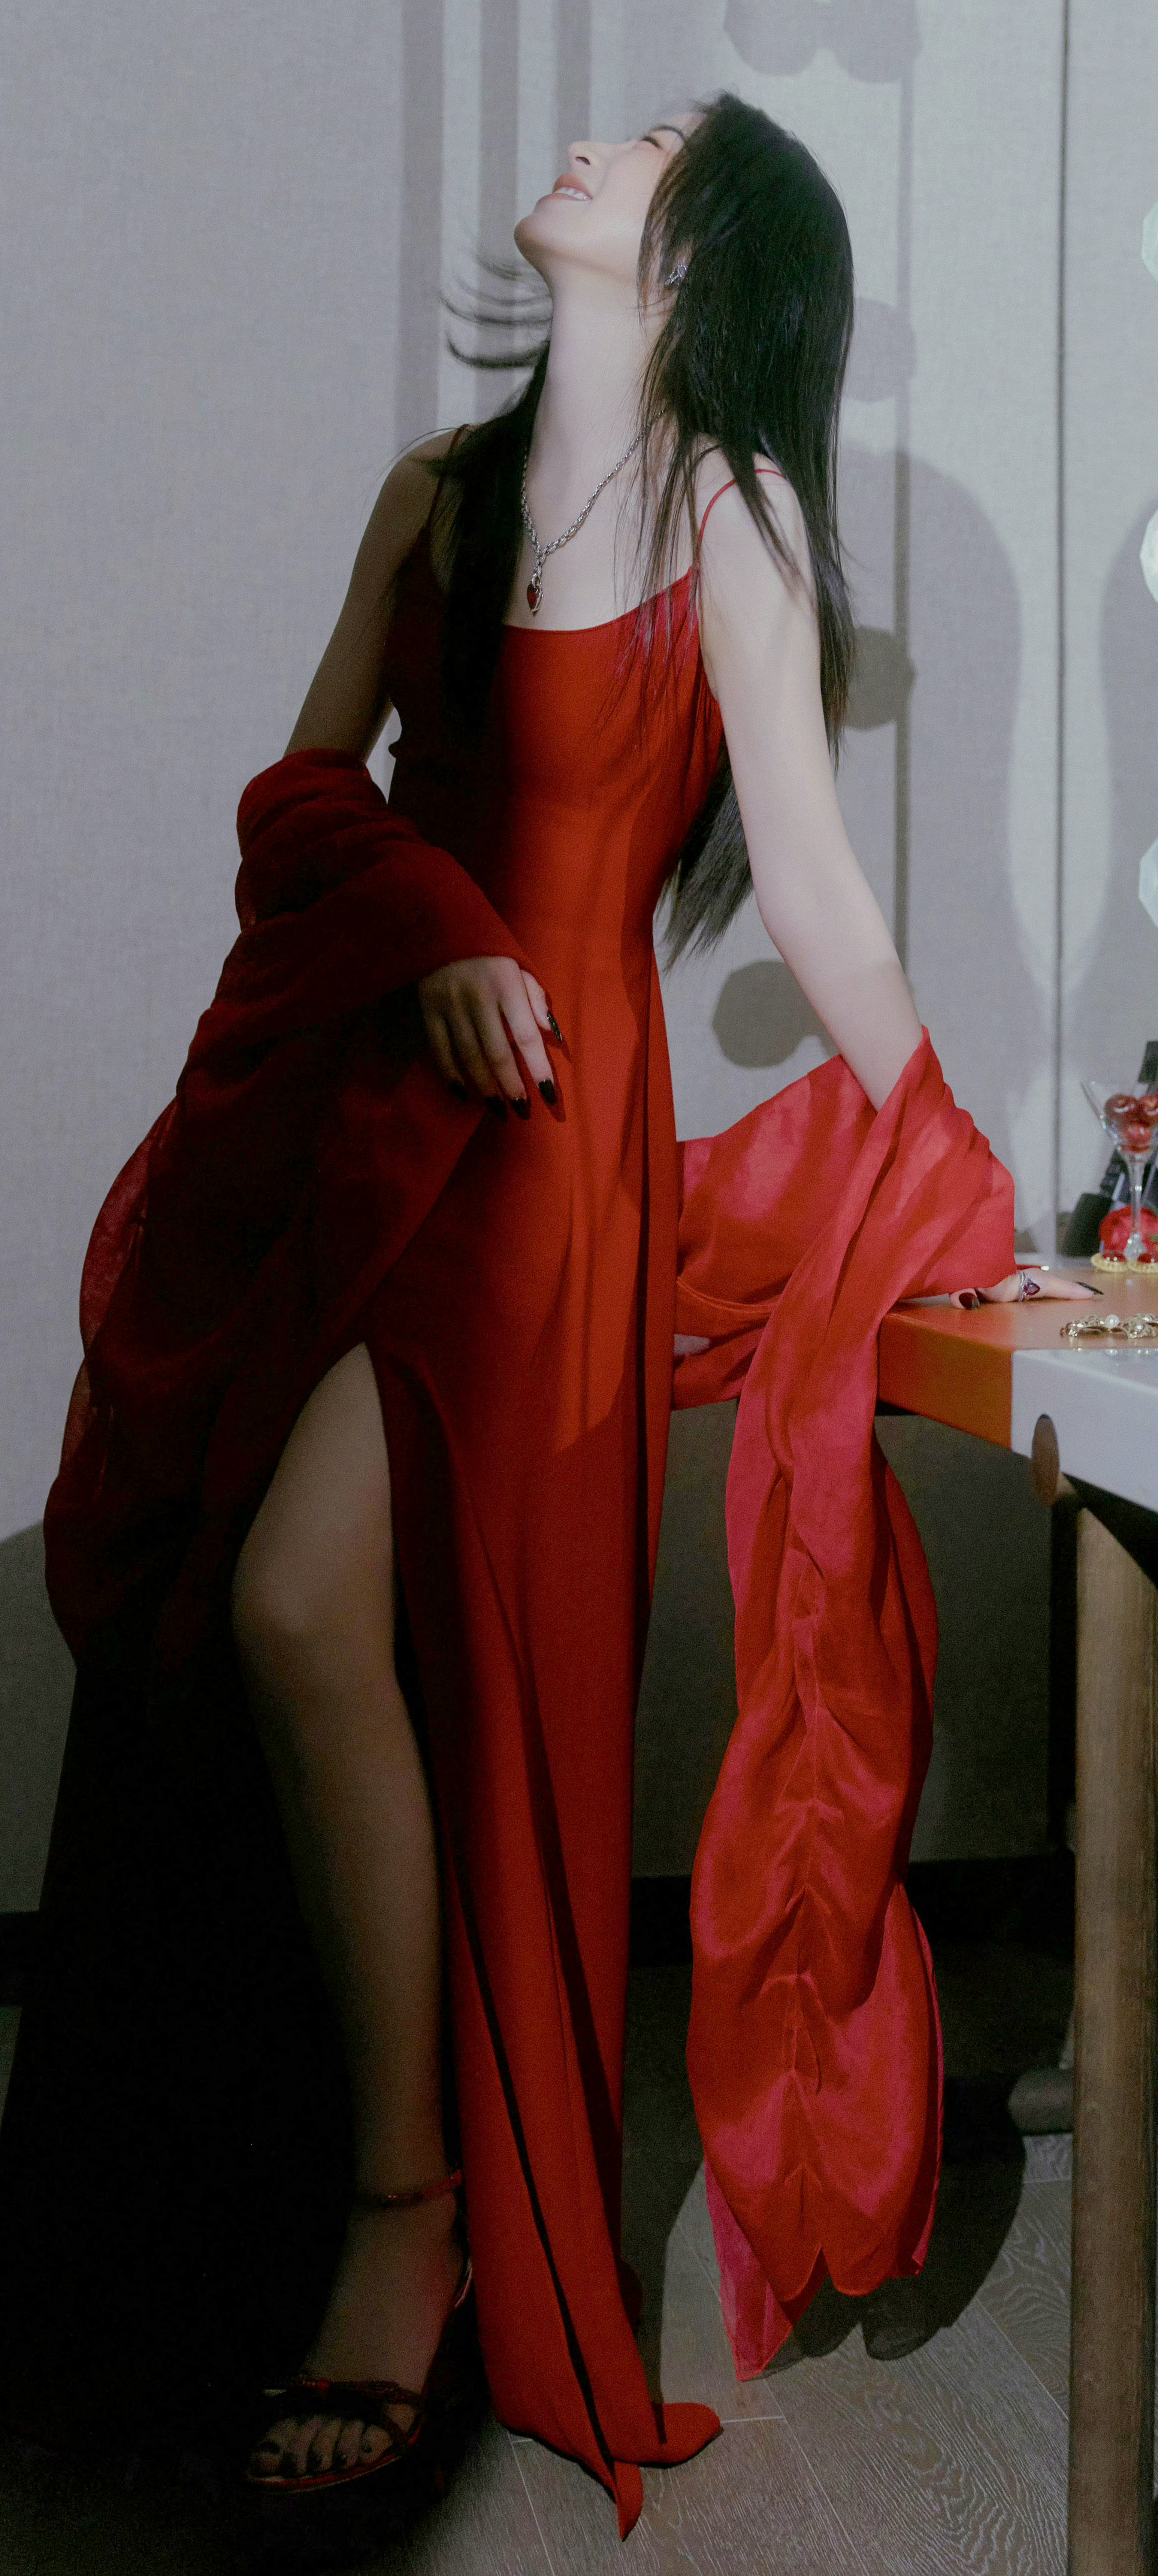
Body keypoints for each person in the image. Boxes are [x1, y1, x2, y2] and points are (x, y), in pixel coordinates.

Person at [0, 91, 1091, 2550]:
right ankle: (306, 2204)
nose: (603, 143)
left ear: (710, 260)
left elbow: (807, 884)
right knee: (256, 1617)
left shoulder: (734, 516)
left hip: (547, 1162)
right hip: (371, 1116)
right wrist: (438, 927)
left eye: (660, 147)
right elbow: (299, 795)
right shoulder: (432, 492)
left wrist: (936, 1147)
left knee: (325, 1615)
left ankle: (408, 2223)